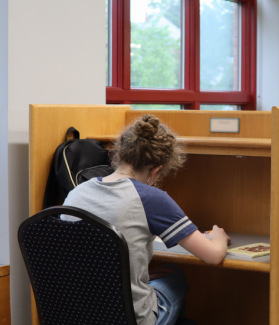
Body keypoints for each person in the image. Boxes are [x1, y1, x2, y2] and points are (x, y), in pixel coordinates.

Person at [62, 115, 231, 325]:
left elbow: (84, 257)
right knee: (175, 276)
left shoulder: (77, 192)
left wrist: (134, 275)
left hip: (75, 313)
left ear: (119, 154)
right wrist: (219, 236)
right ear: (157, 169)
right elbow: (213, 256)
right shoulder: (151, 198)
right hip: (127, 318)